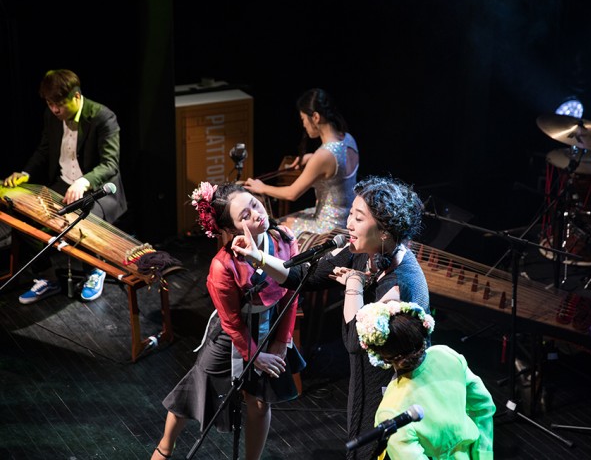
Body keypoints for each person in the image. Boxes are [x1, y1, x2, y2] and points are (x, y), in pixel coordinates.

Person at [232, 174, 430, 460]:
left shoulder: (399, 285)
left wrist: (354, 285)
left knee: (373, 450)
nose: (349, 224)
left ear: (384, 231)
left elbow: (356, 341)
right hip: (365, 379)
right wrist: (256, 256)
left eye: (358, 218)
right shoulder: (363, 251)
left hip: (392, 390)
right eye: (351, 214)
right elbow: (304, 275)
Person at [151, 181, 304, 460]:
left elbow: (292, 293)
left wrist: (282, 340)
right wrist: (253, 355)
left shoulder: (284, 239)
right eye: (245, 215)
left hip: (270, 326)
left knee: (260, 404)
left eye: (255, 204)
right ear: (232, 230)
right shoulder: (223, 265)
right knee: (195, 389)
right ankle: (165, 447)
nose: (257, 214)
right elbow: (231, 321)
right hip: (231, 334)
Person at [3, 69, 127, 303]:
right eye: (50, 104)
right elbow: (44, 149)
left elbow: (110, 164)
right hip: (63, 184)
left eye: (59, 104)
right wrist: (25, 173)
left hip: (98, 190)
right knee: (22, 220)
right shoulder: (51, 116)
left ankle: (95, 270)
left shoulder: (103, 117)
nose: (54, 110)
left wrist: (84, 181)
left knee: (81, 221)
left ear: (77, 97)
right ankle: (47, 278)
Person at [356, 301, 496, 460]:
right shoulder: (446, 354)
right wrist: (483, 455)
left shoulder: (391, 410)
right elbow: (483, 405)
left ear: (383, 356)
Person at [244, 88, 359, 237]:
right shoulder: (348, 138)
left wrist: (262, 187)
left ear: (315, 117)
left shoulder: (323, 156)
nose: (304, 124)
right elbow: (337, 165)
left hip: (329, 226)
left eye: (304, 119)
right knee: (287, 221)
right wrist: (311, 157)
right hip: (346, 217)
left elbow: (292, 193)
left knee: (274, 228)